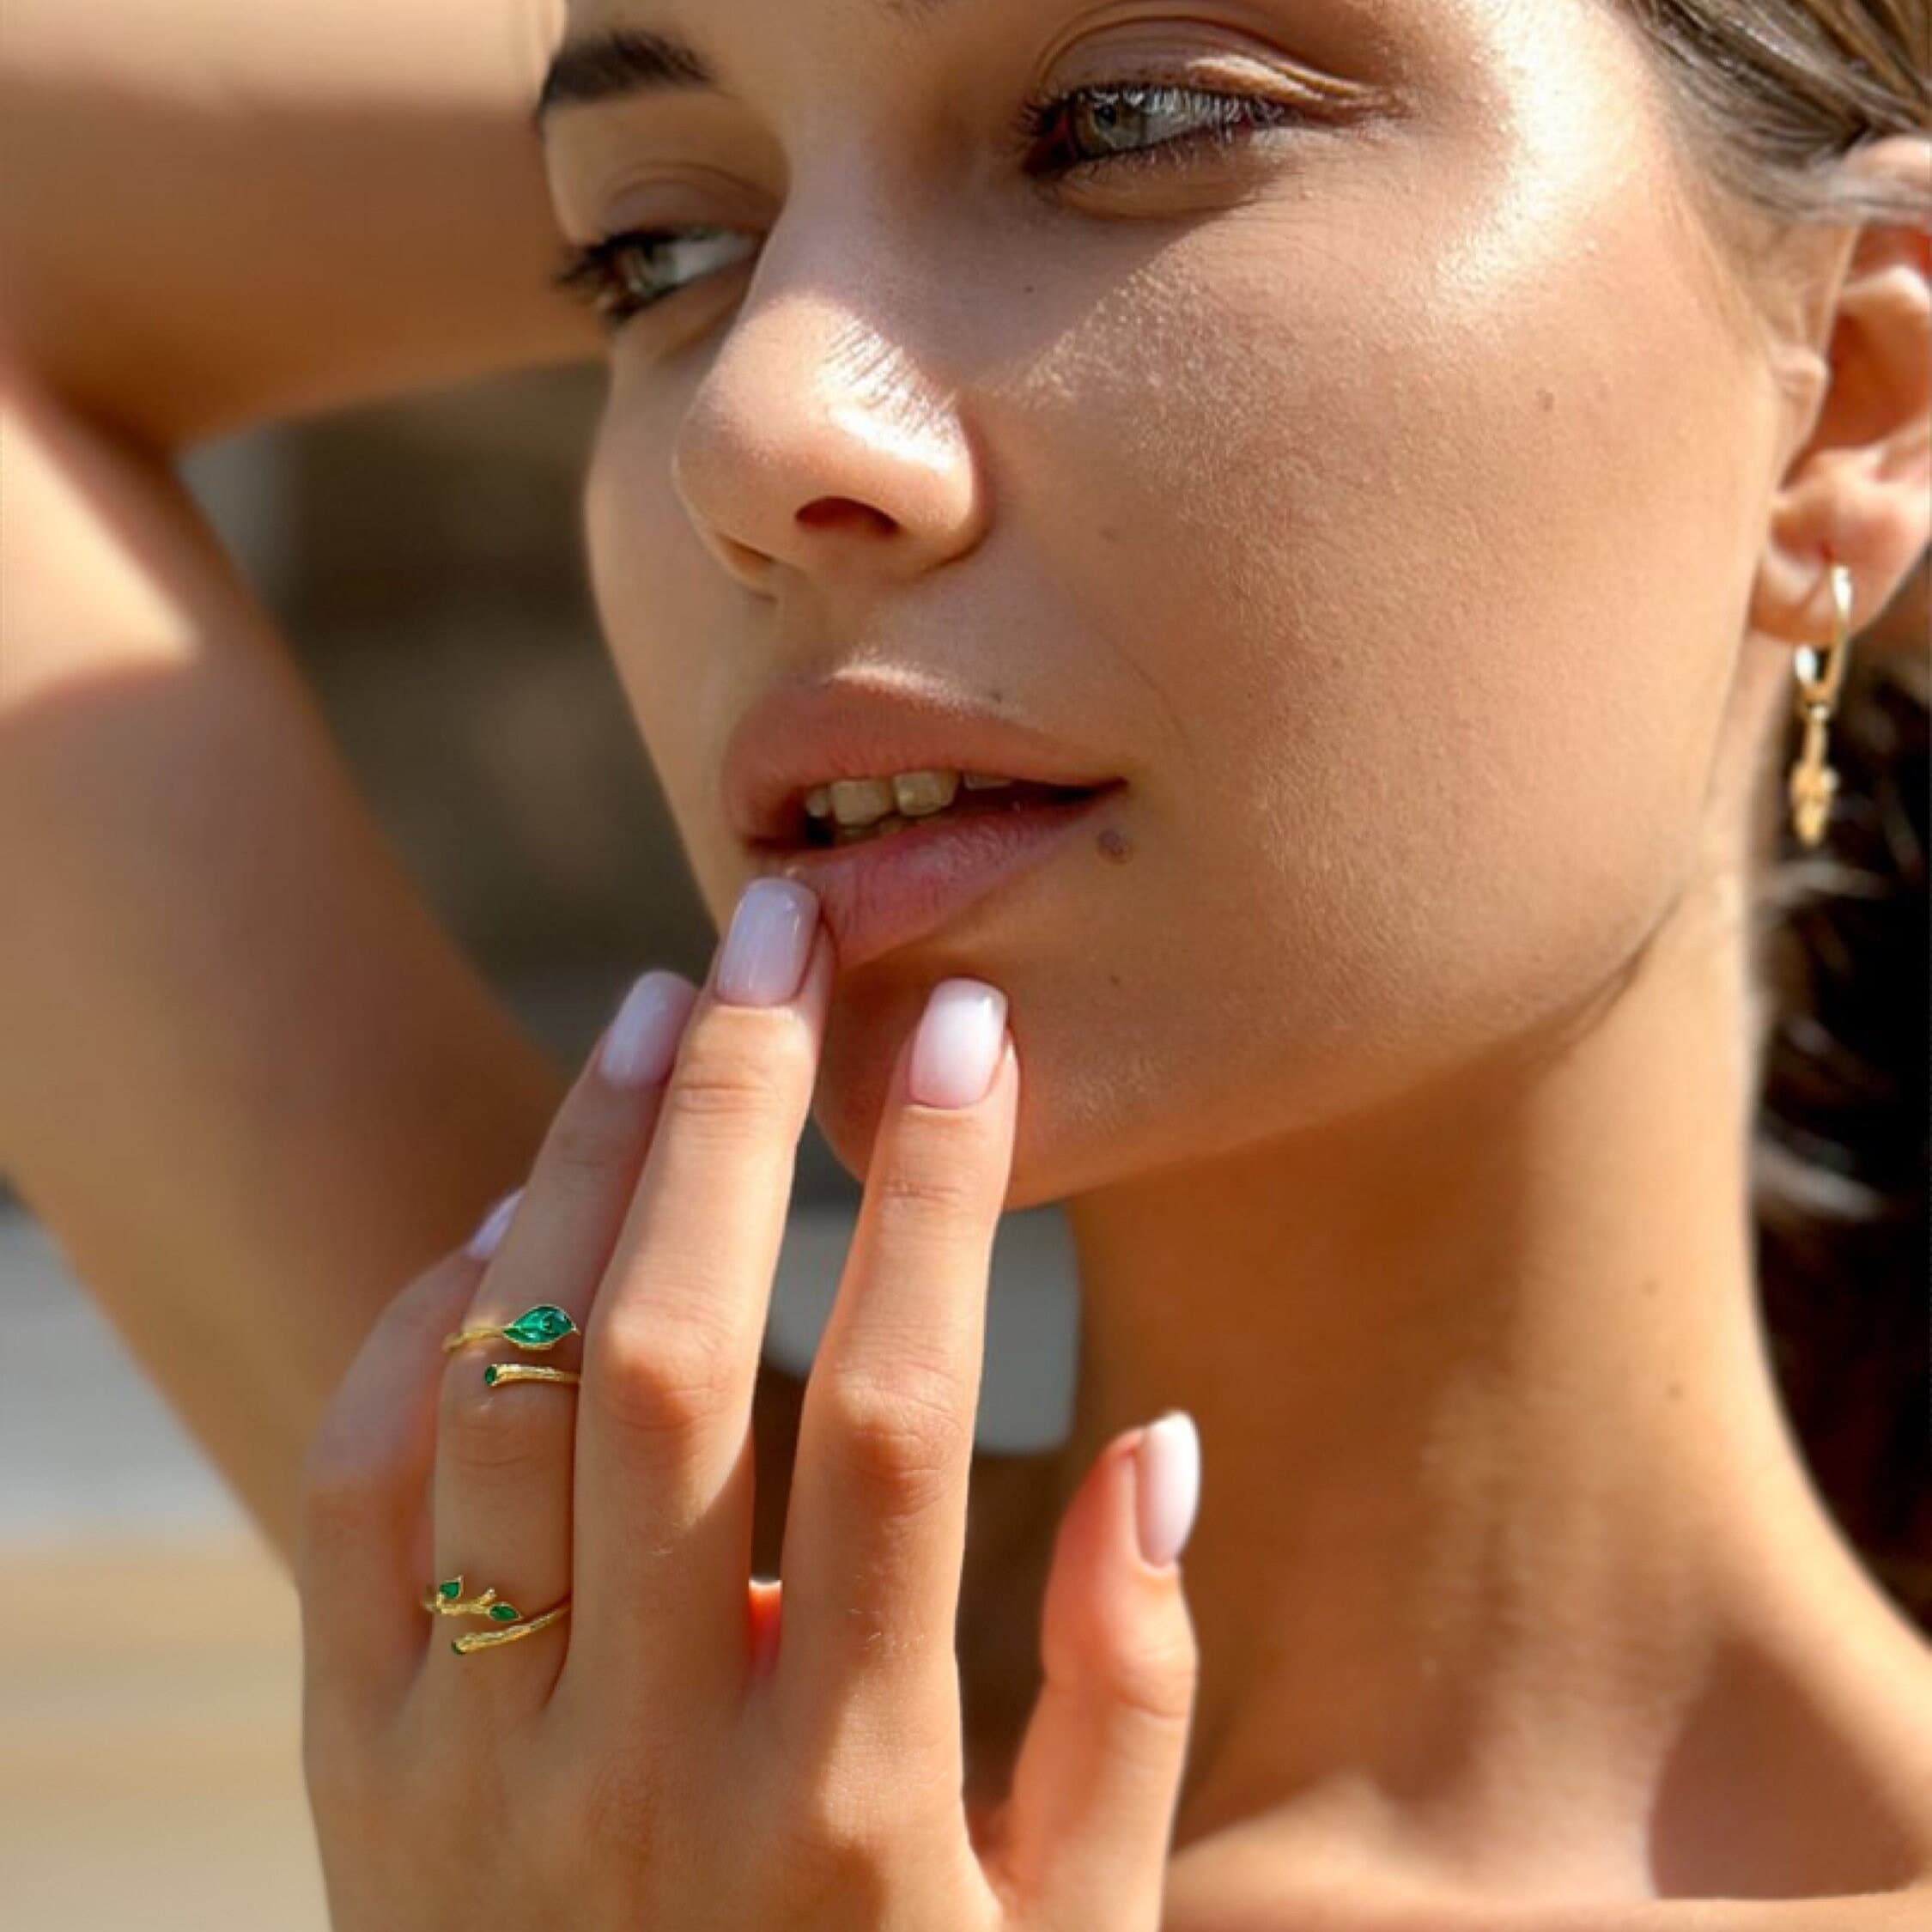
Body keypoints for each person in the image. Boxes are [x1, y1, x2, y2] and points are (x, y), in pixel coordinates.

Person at [3, 0, 1929, 1924]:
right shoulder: (614, 1690)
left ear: (1847, 398)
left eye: (1136, 120)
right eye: (656, 252)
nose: (755, 427)